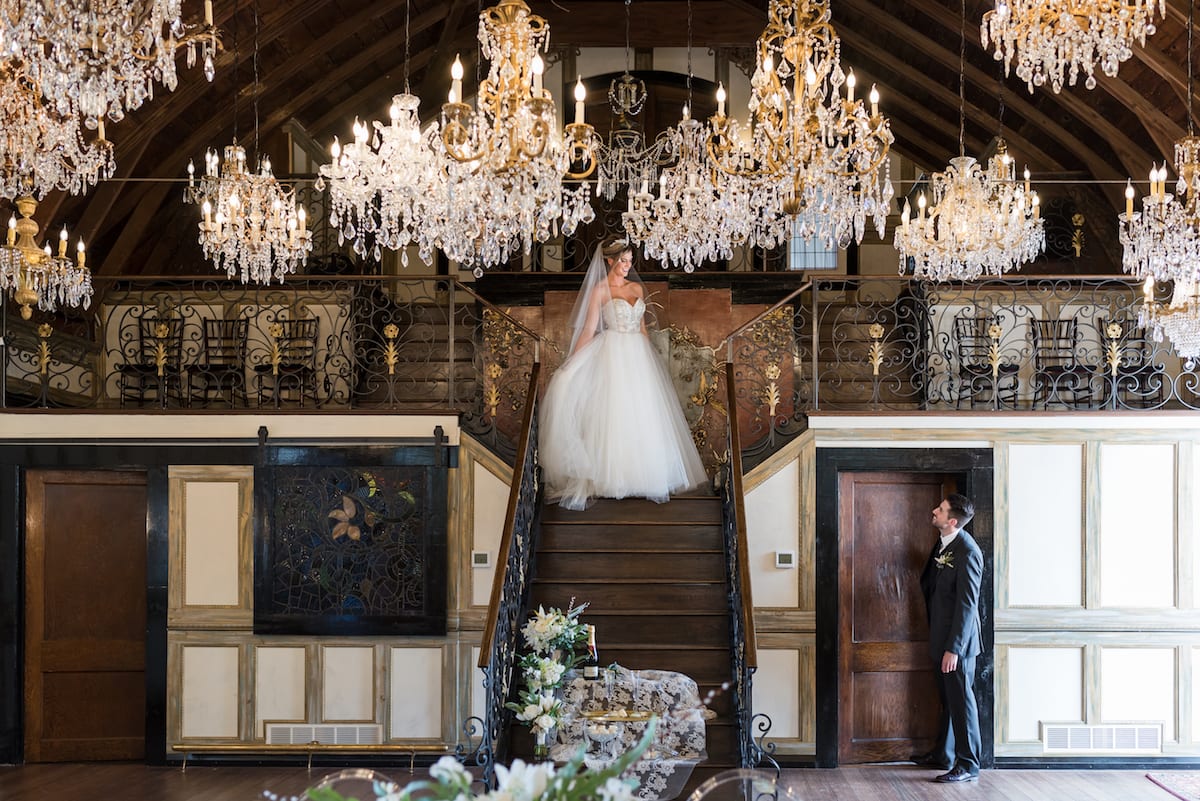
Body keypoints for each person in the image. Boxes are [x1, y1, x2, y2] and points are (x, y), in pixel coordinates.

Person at [539, 236, 707, 511]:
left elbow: (642, 328)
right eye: (623, 261)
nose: (627, 266)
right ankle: (612, 478)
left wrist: (650, 359)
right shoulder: (599, 291)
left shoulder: (637, 289)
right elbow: (588, 330)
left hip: (638, 355)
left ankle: (644, 476)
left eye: (630, 261)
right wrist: (571, 363)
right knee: (614, 414)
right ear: (609, 261)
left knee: (643, 414)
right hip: (612, 353)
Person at [914, 493, 983, 784]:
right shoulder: (944, 544)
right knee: (948, 700)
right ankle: (944, 753)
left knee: (961, 701)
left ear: (952, 520)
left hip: (958, 644)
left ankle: (968, 764)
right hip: (939, 637)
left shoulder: (968, 551)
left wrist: (954, 649)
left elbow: (968, 605)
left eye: (940, 510)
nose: (934, 511)